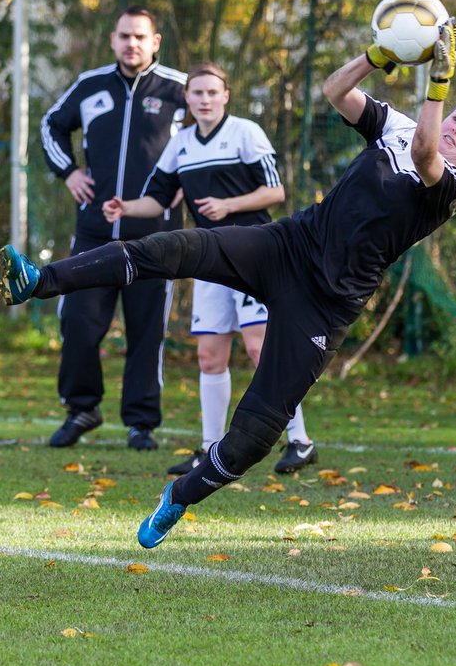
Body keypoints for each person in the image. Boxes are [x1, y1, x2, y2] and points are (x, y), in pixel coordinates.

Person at [0, 18, 456, 547]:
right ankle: (37, 280)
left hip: (325, 305)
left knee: (256, 434)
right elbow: (335, 91)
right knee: (173, 247)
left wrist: (438, 84)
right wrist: (378, 55)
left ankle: (179, 497)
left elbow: (427, 154)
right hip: (286, 246)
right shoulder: (399, 126)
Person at [100, 62, 320, 475]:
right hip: (210, 259)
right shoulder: (181, 142)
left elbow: (276, 190)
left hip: (258, 254)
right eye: (196, 93)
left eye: (211, 93)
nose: (204, 100)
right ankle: (208, 450)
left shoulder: (246, 132)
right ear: (187, 98)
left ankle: (300, 441)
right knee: (209, 356)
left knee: (261, 349)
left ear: (225, 96)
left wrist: (229, 206)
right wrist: (126, 207)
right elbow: (159, 199)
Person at [38, 6, 186, 452]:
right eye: (124, 36)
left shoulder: (180, 90)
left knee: (146, 332)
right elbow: (51, 126)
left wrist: (188, 182)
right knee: (78, 323)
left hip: (157, 238)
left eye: (140, 36)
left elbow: (208, 139)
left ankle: (141, 423)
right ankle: (82, 408)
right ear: (112, 39)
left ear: (155, 41)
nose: (132, 44)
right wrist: (68, 172)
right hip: (94, 234)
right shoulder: (90, 85)